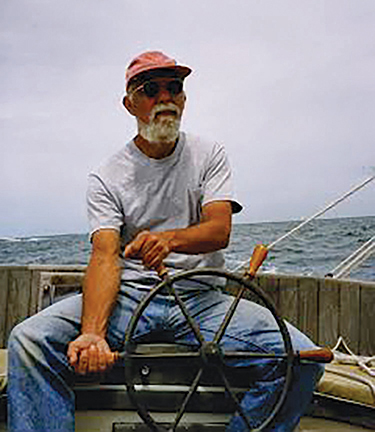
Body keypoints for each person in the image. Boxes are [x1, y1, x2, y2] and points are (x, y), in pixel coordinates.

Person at [7, 51, 323, 432]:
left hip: (201, 299)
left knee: (302, 356)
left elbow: (219, 230)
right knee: (29, 341)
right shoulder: (107, 176)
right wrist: (92, 332)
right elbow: (105, 256)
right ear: (130, 104)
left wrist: (168, 240)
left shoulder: (209, 154)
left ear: (184, 99)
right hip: (130, 299)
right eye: (150, 90)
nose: (165, 98)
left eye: (174, 88)